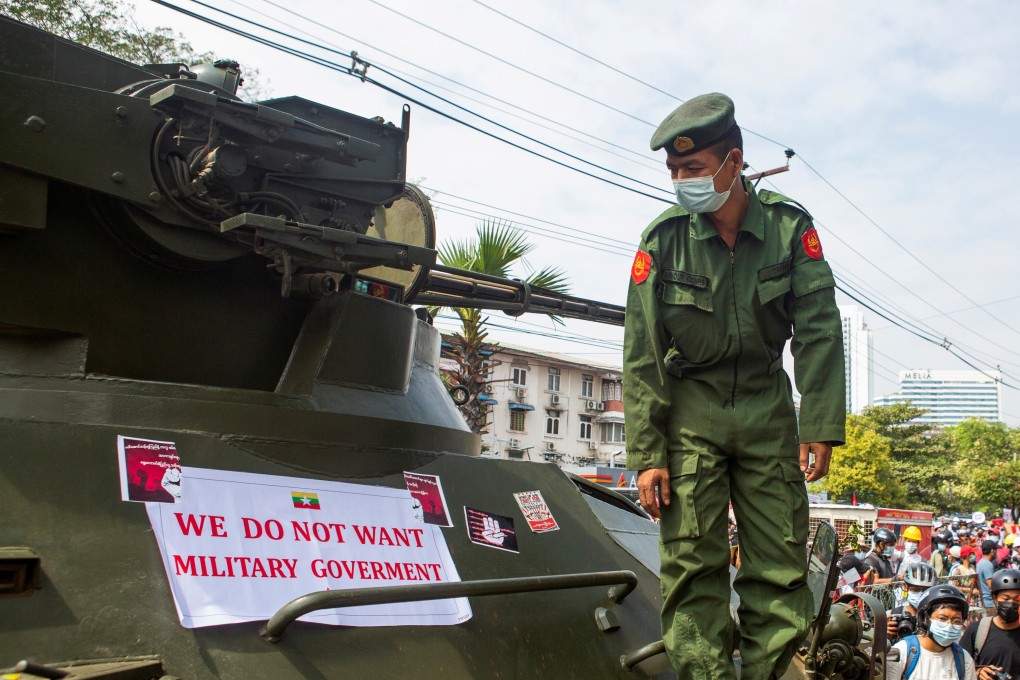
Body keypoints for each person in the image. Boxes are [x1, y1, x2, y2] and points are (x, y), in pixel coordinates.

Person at [624, 93, 846, 680]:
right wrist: (648, 454)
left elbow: (818, 329)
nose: (681, 181)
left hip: (768, 410)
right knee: (692, 564)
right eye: (674, 171)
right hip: (690, 417)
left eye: (692, 169)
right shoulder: (662, 241)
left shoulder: (788, 229)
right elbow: (643, 353)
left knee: (778, 565)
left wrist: (820, 424)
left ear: (733, 163)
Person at [885, 585, 977, 679]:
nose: (949, 625)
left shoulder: (964, 659)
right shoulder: (902, 652)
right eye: (942, 619)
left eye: (956, 621)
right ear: (925, 619)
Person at [961, 569, 1020, 680]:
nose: (1011, 603)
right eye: (1006, 598)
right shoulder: (977, 630)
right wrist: (978, 671)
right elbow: (959, 665)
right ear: (995, 599)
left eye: (1017, 599)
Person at [887, 563, 938, 644]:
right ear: (905, 587)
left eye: (926, 590)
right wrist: (883, 635)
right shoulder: (892, 615)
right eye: (916, 589)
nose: (921, 594)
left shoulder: (938, 618)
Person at [977, 539, 999, 614]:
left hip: (983, 602)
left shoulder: (980, 563)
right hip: (989, 603)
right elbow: (991, 585)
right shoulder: (987, 565)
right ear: (992, 550)